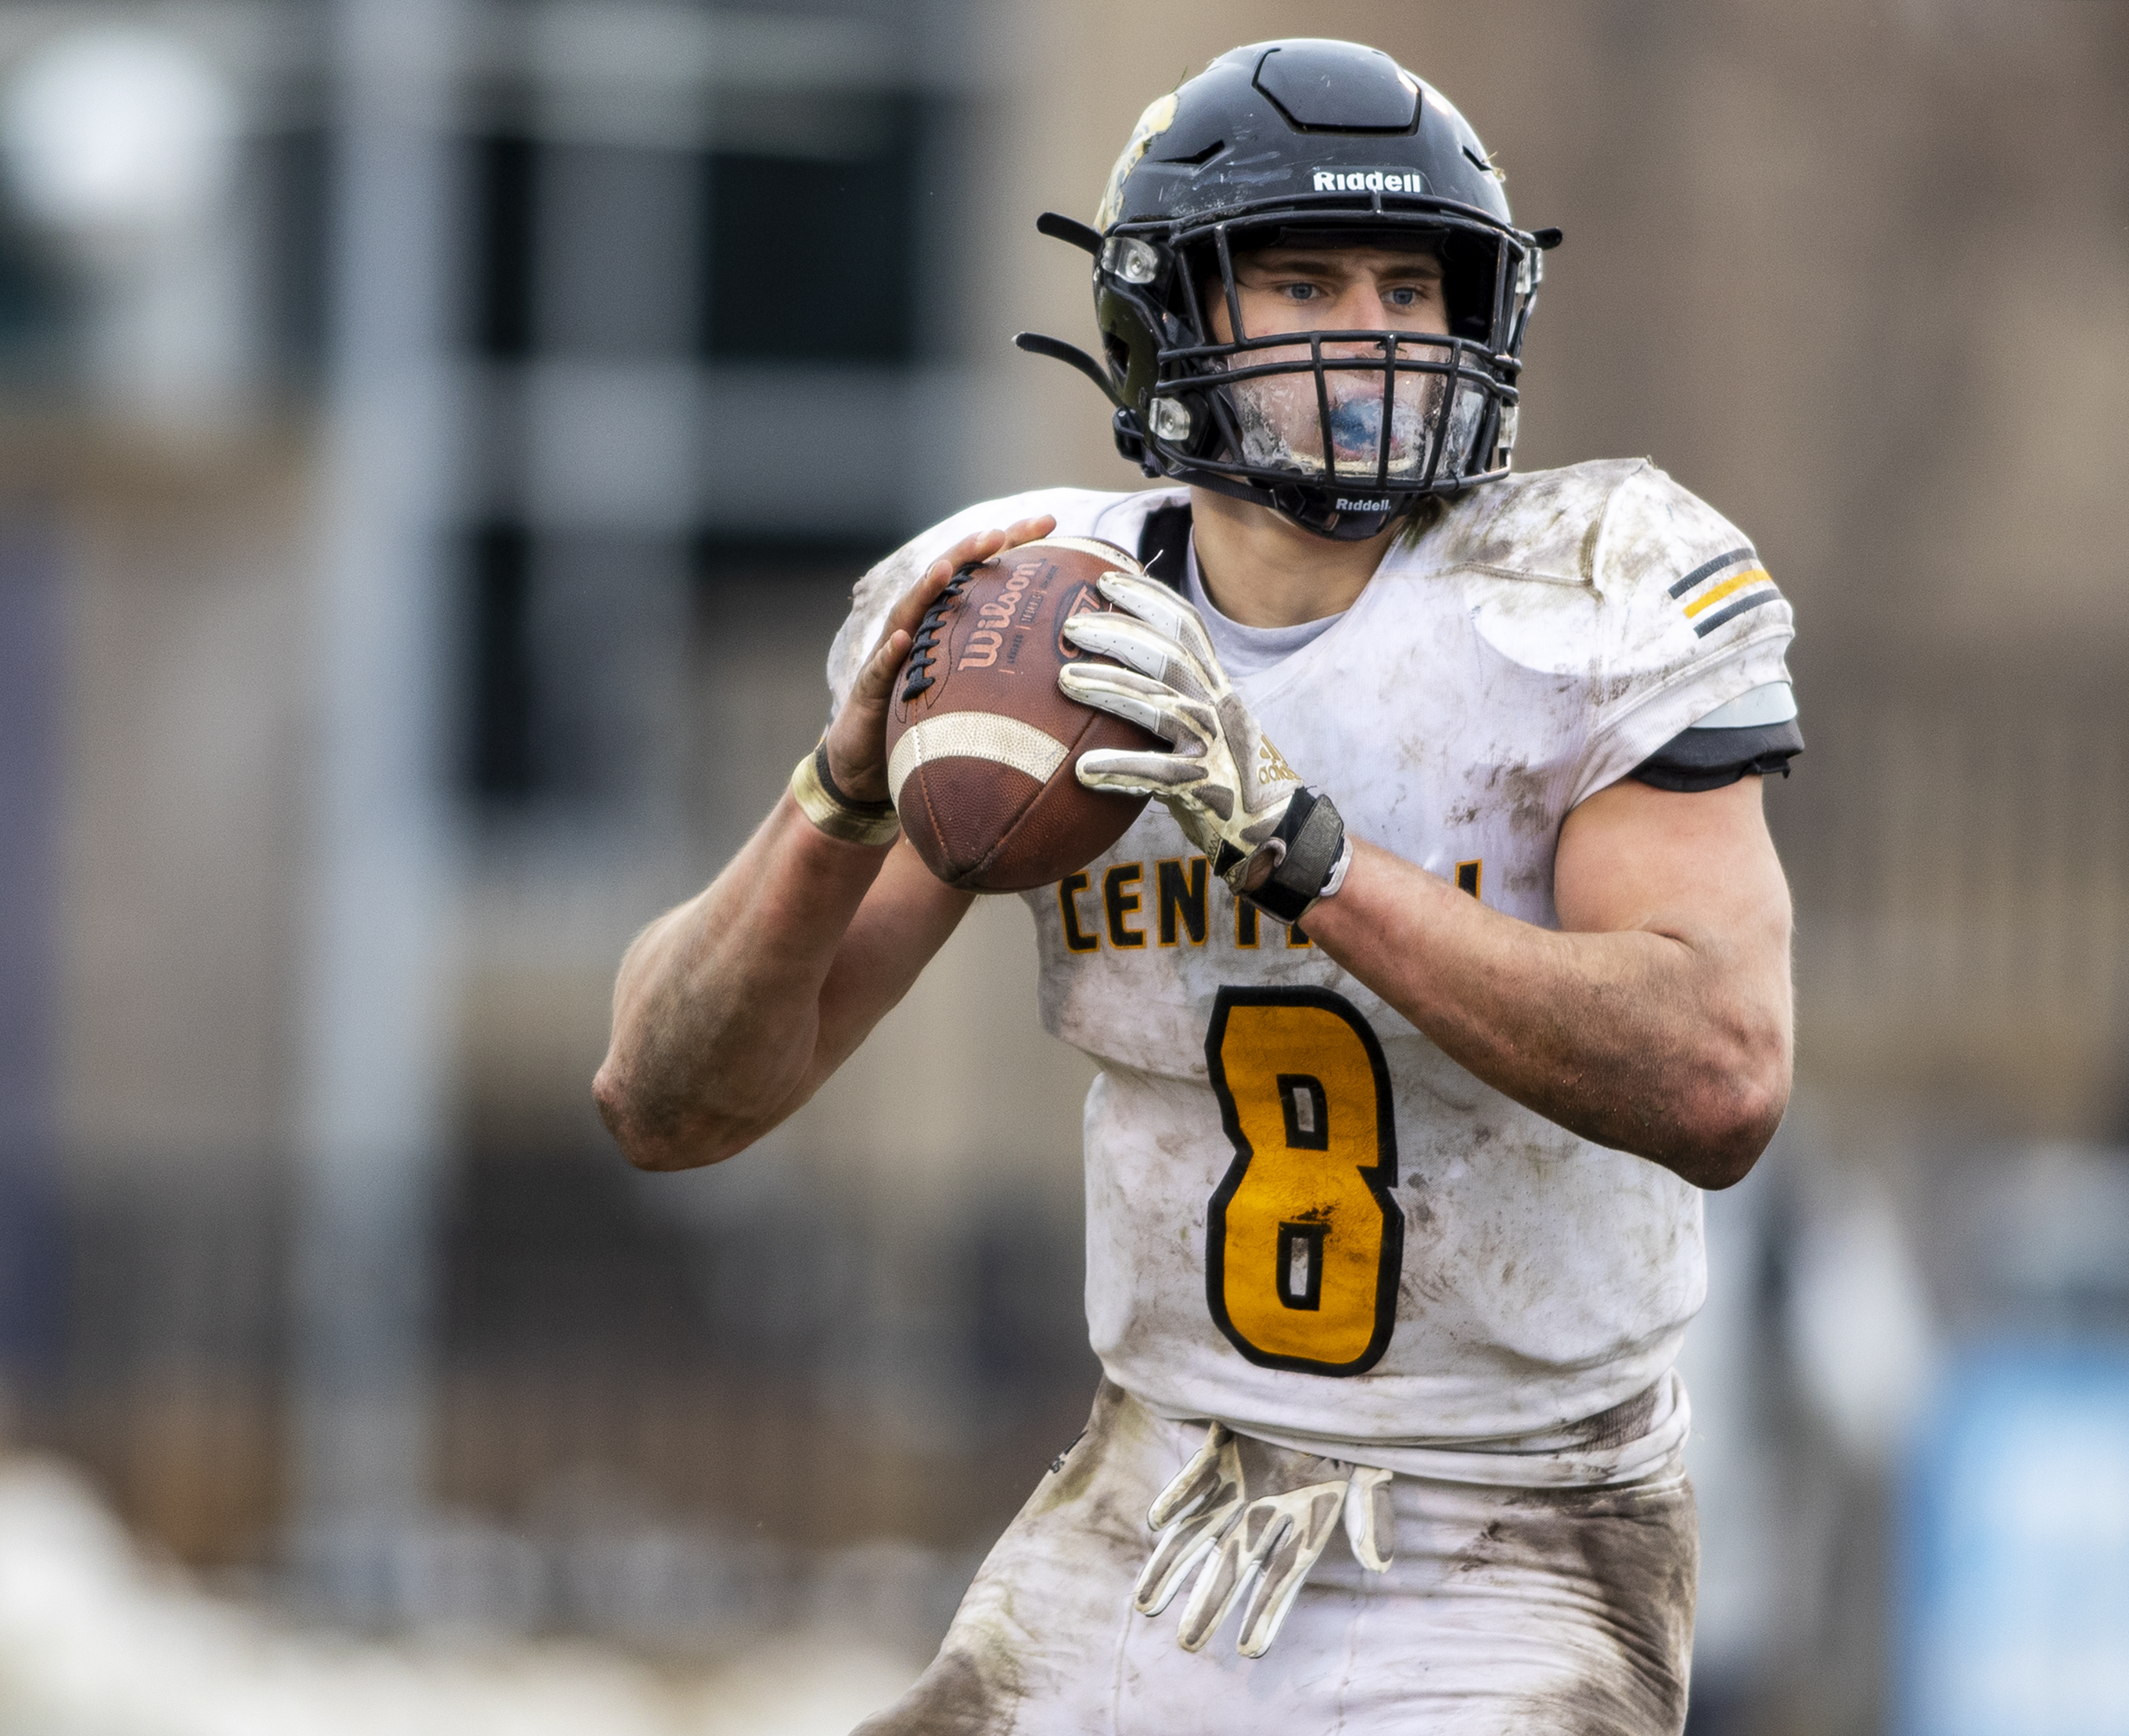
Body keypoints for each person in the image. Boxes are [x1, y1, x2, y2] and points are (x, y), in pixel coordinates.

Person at [594, 36, 1799, 1735]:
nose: (1370, 331)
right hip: (1151, 1486)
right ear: (1161, 325)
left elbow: (1717, 1073)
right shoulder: (1041, 622)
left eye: (1409, 282)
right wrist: (835, 797)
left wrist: (1304, 856)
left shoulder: (1583, 590)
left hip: (1513, 1517)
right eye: (1300, 277)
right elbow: (665, 1103)